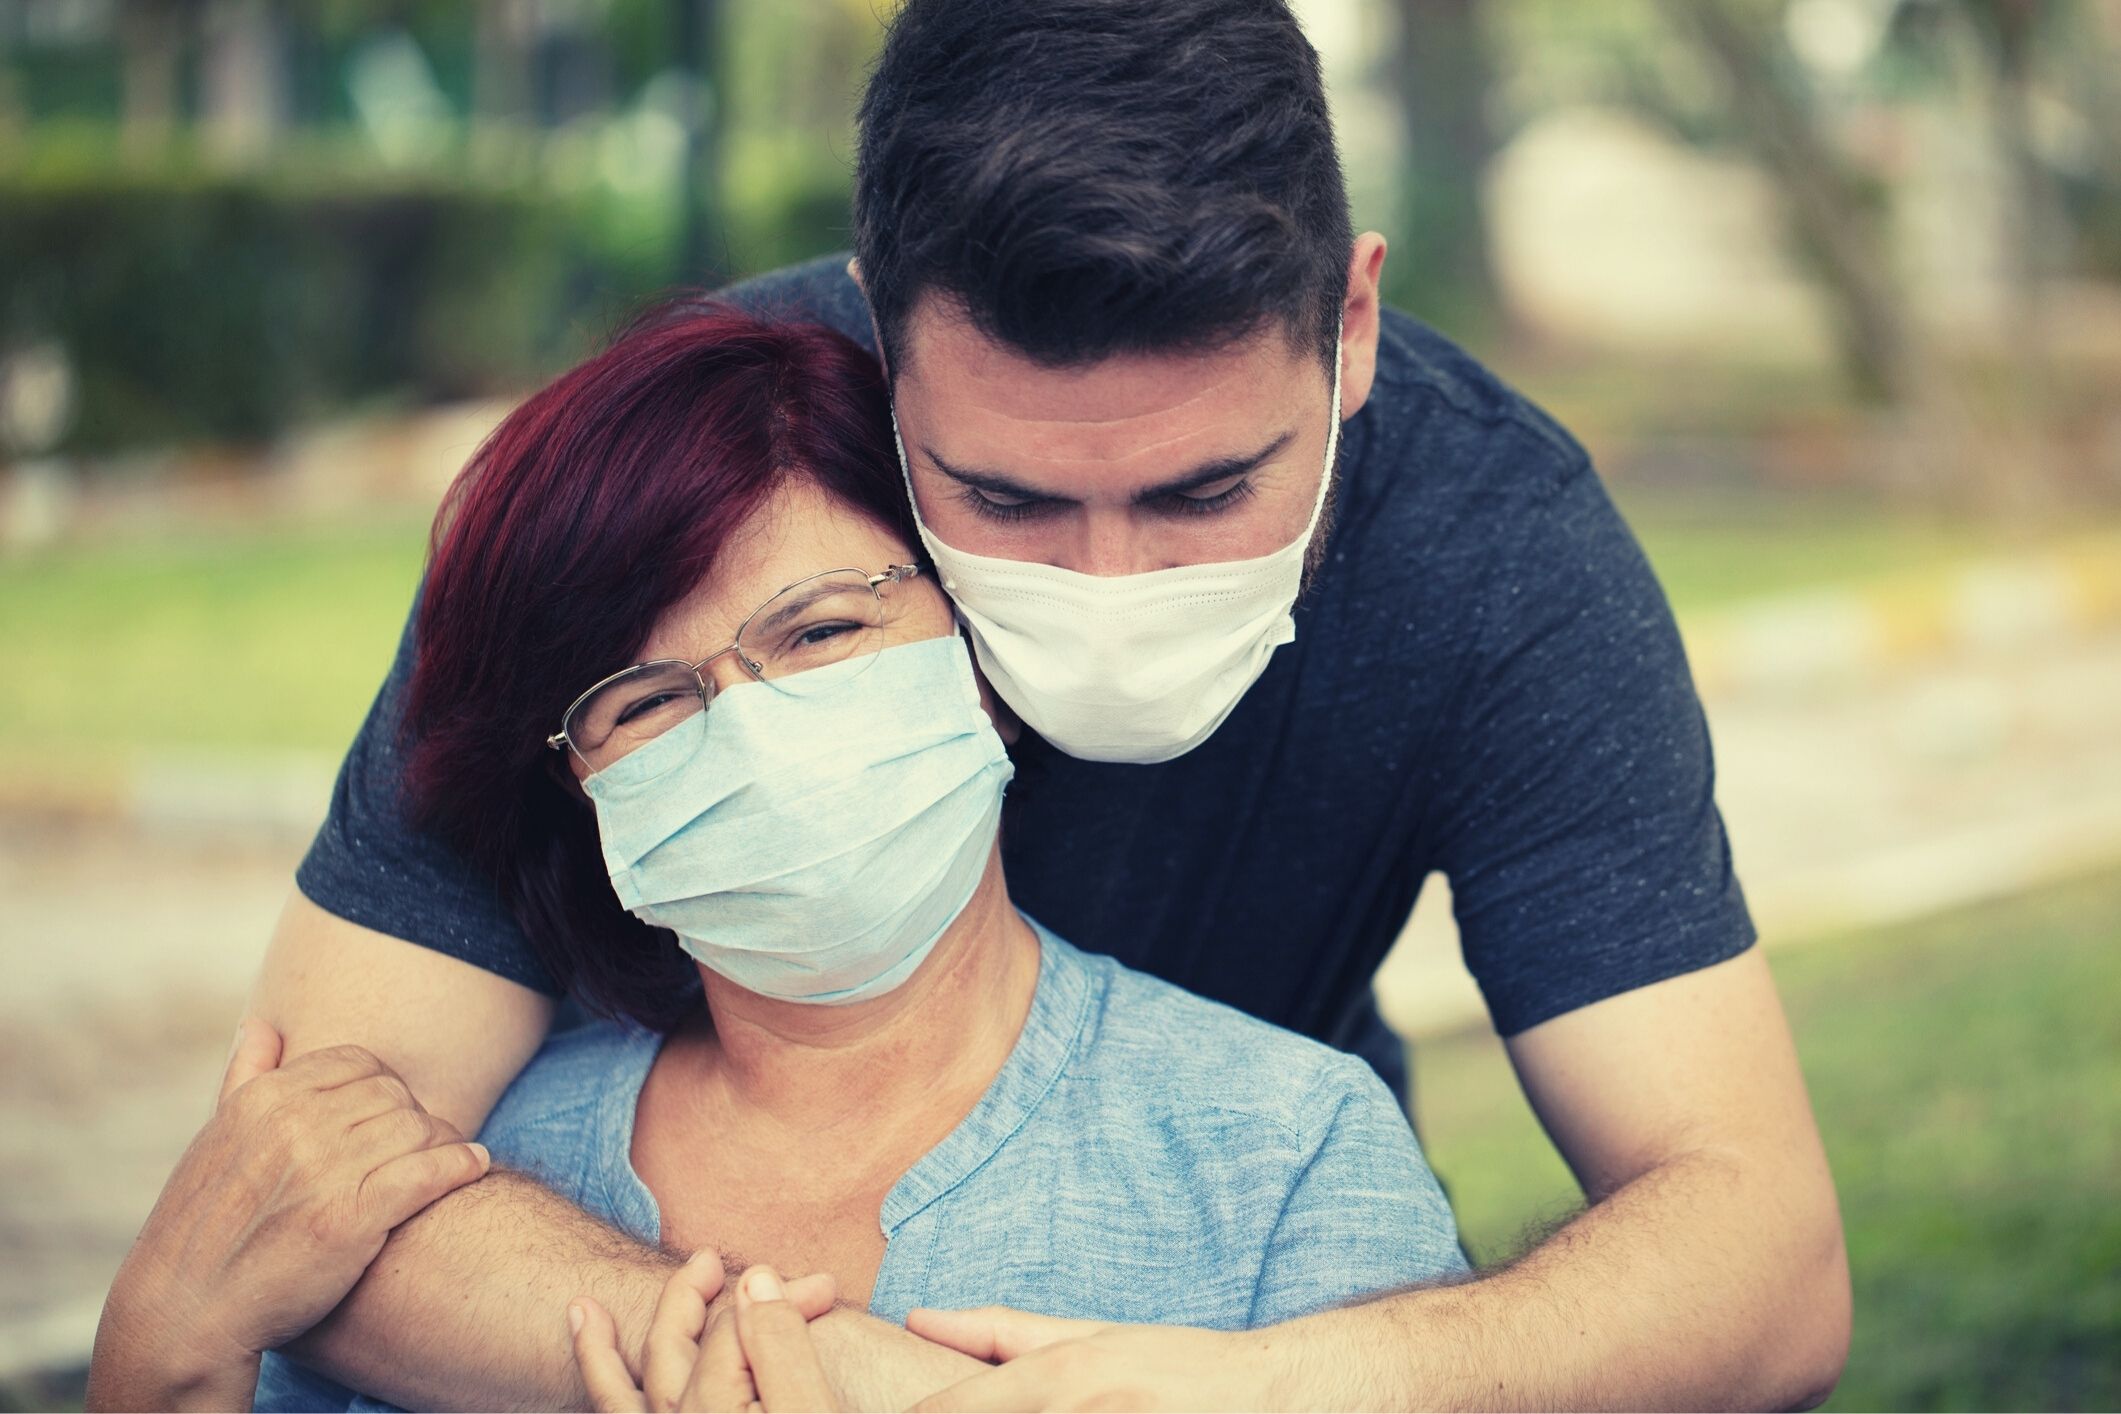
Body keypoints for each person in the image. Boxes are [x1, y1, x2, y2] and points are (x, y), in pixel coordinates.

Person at [234, 1, 1848, 1408]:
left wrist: (1290, 1383)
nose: (1110, 582)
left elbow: (1756, 1260)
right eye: (1003, 499)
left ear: (1348, 328)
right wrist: (846, 1371)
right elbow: (297, 1178)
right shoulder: (668, 488)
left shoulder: (1495, 551)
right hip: (692, 1214)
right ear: (876, 339)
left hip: (1241, 1271)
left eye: (1208, 488)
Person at [92, 307, 1469, 1413]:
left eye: (816, 634)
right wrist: (157, 1350)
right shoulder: (463, 1182)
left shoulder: (1284, 1156)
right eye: (645, 700)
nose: (748, 730)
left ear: (979, 657)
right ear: (580, 789)